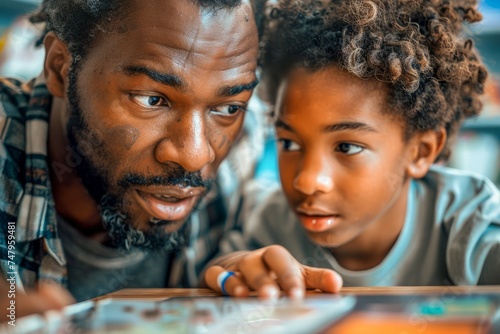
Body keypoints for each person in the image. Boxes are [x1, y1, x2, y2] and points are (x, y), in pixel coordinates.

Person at [204, 0, 500, 298]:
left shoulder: (467, 223)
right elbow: (224, 270)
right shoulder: (269, 224)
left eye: (346, 147)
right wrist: (233, 270)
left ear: (421, 152)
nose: (306, 181)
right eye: (289, 143)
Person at [0, 0, 266, 310]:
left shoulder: (245, 142)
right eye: (151, 99)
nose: (195, 156)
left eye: (228, 108)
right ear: (60, 67)